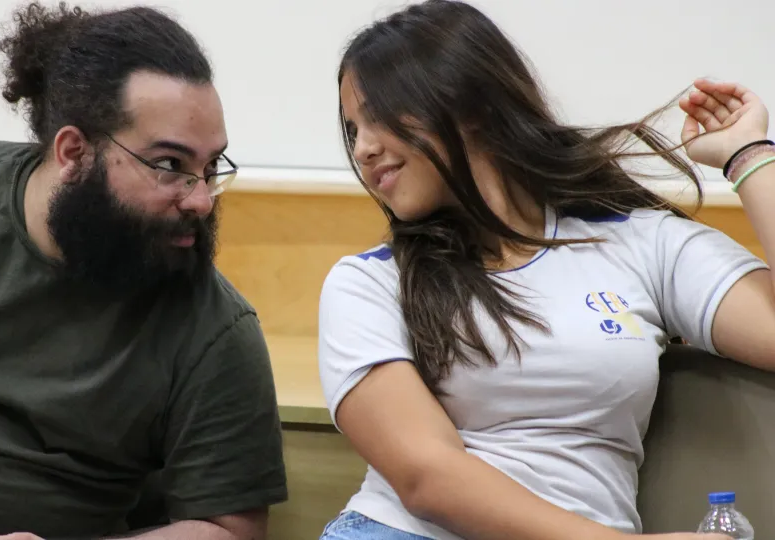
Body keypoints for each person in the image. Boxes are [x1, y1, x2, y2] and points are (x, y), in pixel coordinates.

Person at [0, 2, 287, 539]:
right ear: (73, 151)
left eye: (209, 168)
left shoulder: (213, 327)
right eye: (170, 166)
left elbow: (230, 530)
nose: (201, 199)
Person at [317, 1, 774, 539]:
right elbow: (427, 478)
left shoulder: (638, 241)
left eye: (379, 117)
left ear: (473, 105)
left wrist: (749, 156)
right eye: (353, 129)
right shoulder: (368, 282)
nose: (364, 149)